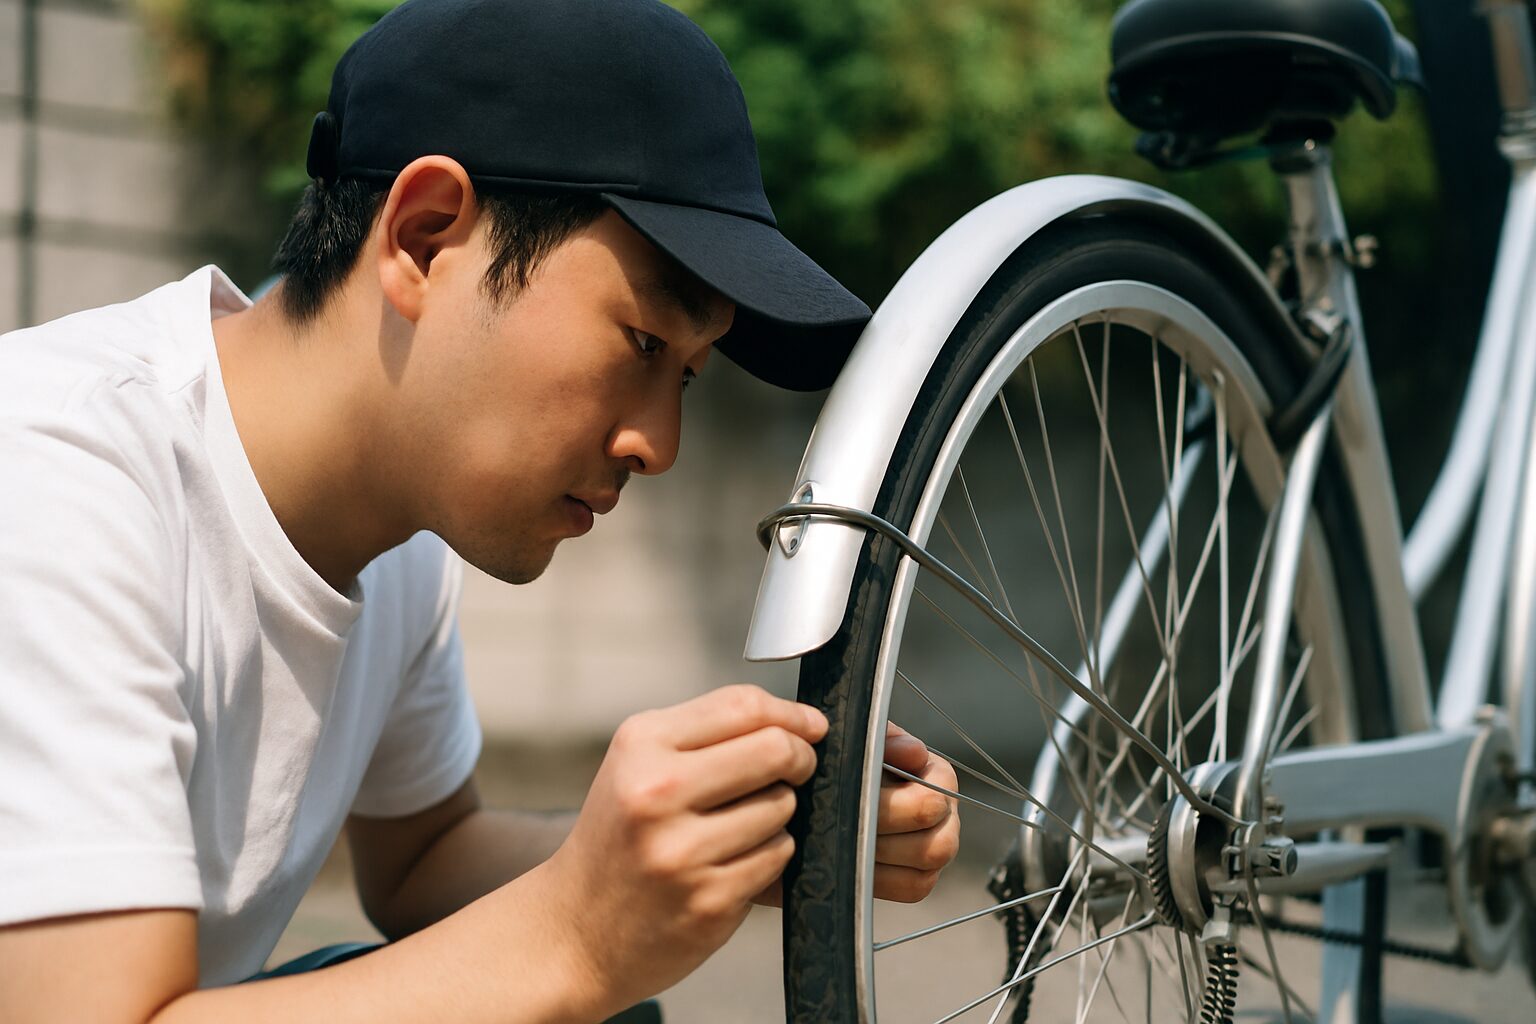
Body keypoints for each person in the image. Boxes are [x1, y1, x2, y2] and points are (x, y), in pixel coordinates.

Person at [0, 1, 961, 1021]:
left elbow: (422, 858)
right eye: (642, 343)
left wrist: (742, 842)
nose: (659, 444)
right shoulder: (57, 478)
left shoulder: (399, 539)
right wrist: (577, 934)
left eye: (684, 376)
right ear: (423, 238)